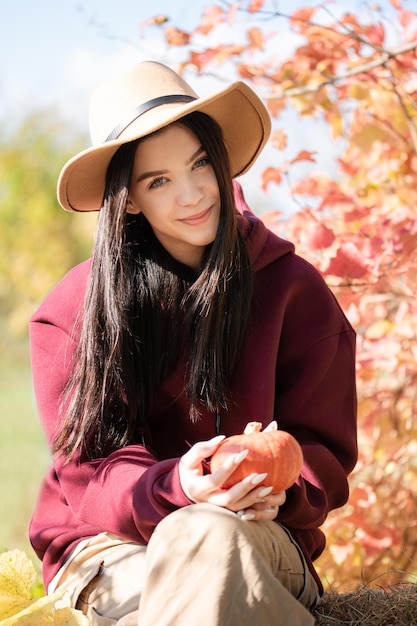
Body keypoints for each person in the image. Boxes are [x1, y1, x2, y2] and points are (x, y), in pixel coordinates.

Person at [29, 60, 357, 626]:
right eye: (159, 181)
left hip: (258, 533)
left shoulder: (293, 289)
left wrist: (282, 490)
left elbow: (325, 451)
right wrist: (175, 485)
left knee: (205, 537)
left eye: (201, 163)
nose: (192, 194)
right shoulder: (73, 311)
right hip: (109, 547)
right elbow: (89, 465)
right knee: (198, 546)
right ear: (127, 199)